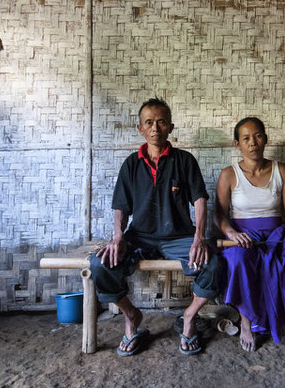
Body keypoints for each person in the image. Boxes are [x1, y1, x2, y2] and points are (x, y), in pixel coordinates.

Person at [90, 98, 222, 356]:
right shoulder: (131, 164)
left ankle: (189, 316)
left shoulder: (184, 160)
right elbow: (120, 206)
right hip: (139, 238)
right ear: (140, 128)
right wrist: (118, 237)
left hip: (179, 237)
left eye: (161, 122)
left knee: (214, 264)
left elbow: (199, 199)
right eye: (149, 122)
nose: (155, 128)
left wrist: (199, 237)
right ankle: (131, 317)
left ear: (170, 127)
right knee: (99, 264)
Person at [214, 117, 285, 352]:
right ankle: (246, 321)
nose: (253, 143)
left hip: (277, 234)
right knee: (237, 262)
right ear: (237, 144)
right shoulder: (229, 174)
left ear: (265, 138)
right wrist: (232, 233)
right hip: (243, 237)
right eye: (246, 138)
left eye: (257, 136)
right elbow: (219, 214)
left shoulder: (280, 169)